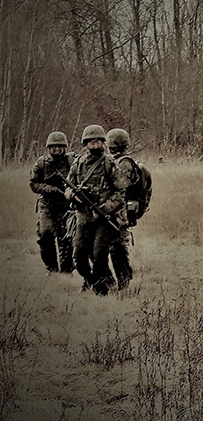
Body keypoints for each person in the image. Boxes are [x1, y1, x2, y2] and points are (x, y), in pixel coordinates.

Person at [66, 124, 129, 295]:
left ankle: (101, 291)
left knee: (99, 255)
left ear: (102, 143)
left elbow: (120, 193)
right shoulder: (78, 163)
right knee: (79, 257)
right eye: (90, 143)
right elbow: (67, 187)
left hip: (102, 218)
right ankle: (91, 280)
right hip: (83, 217)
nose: (94, 146)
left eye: (97, 142)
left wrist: (103, 209)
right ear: (85, 144)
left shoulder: (110, 163)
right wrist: (72, 195)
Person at [106, 128, 152, 290]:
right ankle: (114, 281)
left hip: (119, 213)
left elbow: (120, 189)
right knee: (112, 248)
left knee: (117, 249)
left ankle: (122, 282)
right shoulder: (123, 162)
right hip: (121, 211)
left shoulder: (124, 164)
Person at [29, 131, 75, 275]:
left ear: (64, 148)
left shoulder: (72, 162)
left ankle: (67, 270)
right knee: (45, 234)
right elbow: (34, 184)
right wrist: (50, 189)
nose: (56, 150)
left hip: (66, 206)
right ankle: (52, 268)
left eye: (60, 147)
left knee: (67, 238)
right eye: (53, 147)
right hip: (47, 205)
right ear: (48, 148)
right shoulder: (42, 163)